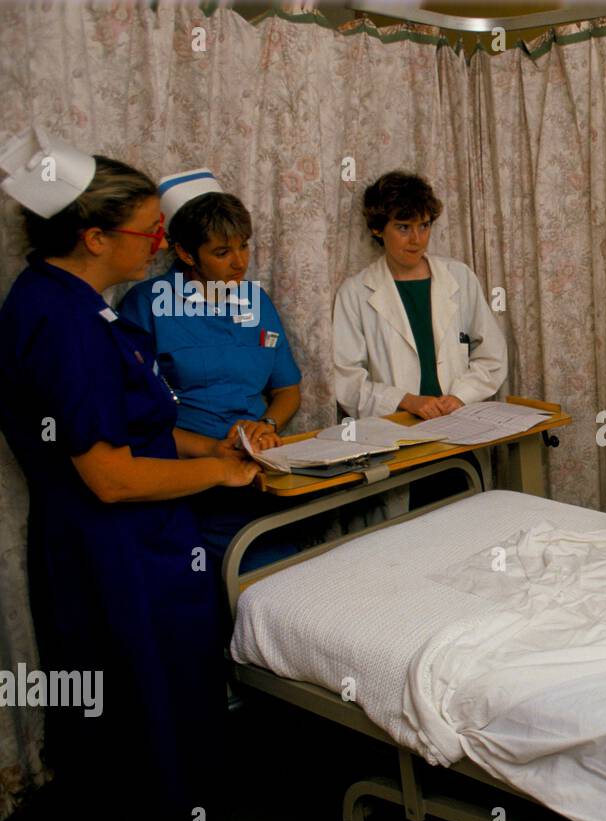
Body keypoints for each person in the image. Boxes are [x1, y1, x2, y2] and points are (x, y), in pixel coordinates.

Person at [0, 130, 259, 821]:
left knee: (165, 694)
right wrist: (219, 474)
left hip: (140, 538)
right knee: (141, 703)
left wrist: (211, 445)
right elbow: (109, 473)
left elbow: (138, 424)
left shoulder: (83, 304)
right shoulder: (62, 323)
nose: (157, 243)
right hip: (111, 546)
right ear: (92, 237)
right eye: (148, 231)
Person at [116, 169, 302, 571]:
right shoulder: (147, 305)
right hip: (187, 485)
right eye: (222, 252)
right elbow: (134, 416)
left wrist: (266, 424)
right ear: (185, 253)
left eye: (245, 247)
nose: (240, 263)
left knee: (293, 568)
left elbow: (288, 389)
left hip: (258, 477)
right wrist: (211, 451)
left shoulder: (257, 302)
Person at [333, 170, 508, 509]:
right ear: (376, 229)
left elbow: (492, 355)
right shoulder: (355, 293)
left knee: (466, 521)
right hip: (398, 439)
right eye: (403, 227)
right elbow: (348, 382)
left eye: (424, 226)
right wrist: (405, 400)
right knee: (407, 534)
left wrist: (460, 395)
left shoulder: (458, 277)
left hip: (457, 434)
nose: (417, 239)